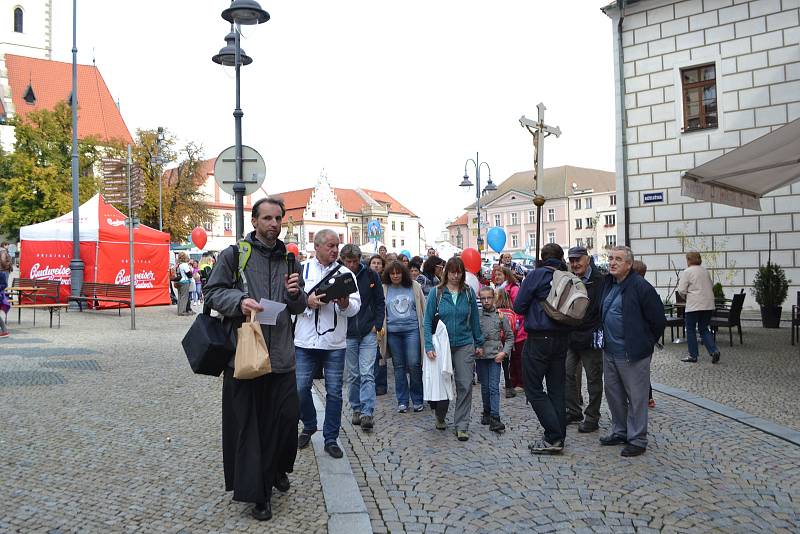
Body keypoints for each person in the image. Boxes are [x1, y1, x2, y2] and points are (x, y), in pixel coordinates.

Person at [203, 196, 307, 522]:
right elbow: (212, 292)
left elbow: (299, 306)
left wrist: (296, 295)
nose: (274, 224)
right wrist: (241, 301)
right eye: (267, 218)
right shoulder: (234, 255)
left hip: (283, 356)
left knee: (287, 422)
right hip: (247, 355)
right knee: (254, 429)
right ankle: (259, 494)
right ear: (254, 222)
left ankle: (277, 468)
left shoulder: (290, 260)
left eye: (278, 218)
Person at [295, 230, 361, 459]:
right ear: (318, 247)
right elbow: (289, 300)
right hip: (305, 340)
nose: (335, 250)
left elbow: (355, 307)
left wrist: (344, 305)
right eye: (331, 246)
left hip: (334, 343)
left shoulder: (345, 273)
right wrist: (307, 302)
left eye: (337, 246)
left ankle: (331, 438)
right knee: (299, 388)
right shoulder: (302, 269)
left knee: (334, 392)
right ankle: (310, 423)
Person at [599, 246, 666, 457]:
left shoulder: (640, 287)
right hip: (609, 351)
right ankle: (620, 431)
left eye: (618, 259)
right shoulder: (609, 284)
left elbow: (658, 320)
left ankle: (637, 438)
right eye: (610, 258)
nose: (612, 262)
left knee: (636, 398)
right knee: (614, 394)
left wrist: (644, 343)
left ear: (629, 264)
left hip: (632, 354)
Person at [513, 243, 572, 455]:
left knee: (533, 388)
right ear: (561, 257)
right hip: (562, 338)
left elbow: (518, 306)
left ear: (542, 257)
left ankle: (554, 435)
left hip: (539, 338)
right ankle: (559, 437)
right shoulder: (567, 276)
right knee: (557, 388)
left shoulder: (536, 275)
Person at [423, 257, 484, 441]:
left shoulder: (468, 293)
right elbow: (427, 321)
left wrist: (479, 342)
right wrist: (428, 344)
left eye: (459, 272)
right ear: (446, 273)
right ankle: (440, 416)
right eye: (452, 272)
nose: (455, 276)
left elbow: (474, 319)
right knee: (443, 382)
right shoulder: (437, 293)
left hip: (464, 343)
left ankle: (461, 425)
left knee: (465, 384)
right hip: (442, 345)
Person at [342, 244, 385, 432]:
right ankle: (356, 408)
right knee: (353, 375)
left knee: (367, 372)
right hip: (347, 331)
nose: (351, 265)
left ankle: (367, 411)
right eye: (348, 261)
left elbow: (379, 302)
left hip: (368, 330)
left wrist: (378, 324)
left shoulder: (370, 275)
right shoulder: (339, 274)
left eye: (354, 261)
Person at [564, 246, 606, 433]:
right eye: (572, 260)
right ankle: (573, 410)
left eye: (578, 259)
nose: (575, 263)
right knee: (566, 373)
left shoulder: (601, 280)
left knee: (593, 379)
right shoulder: (570, 280)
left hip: (590, 336)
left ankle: (592, 416)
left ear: (587, 259)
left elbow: (600, 310)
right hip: (572, 335)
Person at [380, 260, 426, 413]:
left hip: (412, 330)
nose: (395, 276)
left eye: (398, 273)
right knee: (398, 366)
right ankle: (402, 400)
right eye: (392, 273)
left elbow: (423, 308)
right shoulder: (384, 288)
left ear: (403, 273)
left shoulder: (414, 286)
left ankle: (418, 399)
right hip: (393, 332)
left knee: (414, 364)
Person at [476, 287, 513, 433]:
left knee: (493, 387)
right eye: (483, 298)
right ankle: (486, 411)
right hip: (481, 355)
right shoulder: (476, 316)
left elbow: (510, 337)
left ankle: (495, 417)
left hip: (495, 355)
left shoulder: (500, 316)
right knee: (485, 387)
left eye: (489, 298)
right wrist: (475, 347)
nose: (486, 301)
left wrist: (504, 352)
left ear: (494, 298)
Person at [677, 251, 721, 364]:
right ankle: (714, 350)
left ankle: (693, 355)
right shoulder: (705, 271)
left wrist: (686, 297)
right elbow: (711, 285)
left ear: (689, 260)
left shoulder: (687, 272)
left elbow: (681, 290)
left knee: (690, 329)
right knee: (704, 328)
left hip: (694, 305)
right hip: (708, 304)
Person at [632, 260, 657, 409]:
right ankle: (648, 397)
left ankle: (643, 398)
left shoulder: (639, 289)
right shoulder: (647, 287)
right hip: (646, 338)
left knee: (637, 370)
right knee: (643, 370)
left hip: (640, 337)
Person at [368, 254, 388, 395]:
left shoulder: (386, 282)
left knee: (382, 353)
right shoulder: (366, 280)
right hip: (372, 321)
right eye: (373, 263)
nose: (376, 265)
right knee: (374, 354)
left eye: (379, 263)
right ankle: (373, 382)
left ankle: (381, 383)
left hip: (384, 320)